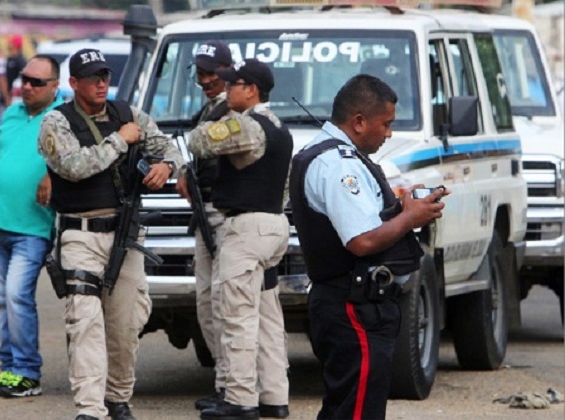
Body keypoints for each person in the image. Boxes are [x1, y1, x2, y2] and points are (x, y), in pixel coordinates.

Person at [289, 74, 449, 419]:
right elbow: (361, 241)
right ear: (359, 121)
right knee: (357, 411)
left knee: (347, 408)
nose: (389, 133)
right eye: (386, 124)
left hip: (350, 302)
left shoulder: (334, 156)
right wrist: (411, 218)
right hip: (352, 305)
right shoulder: (338, 165)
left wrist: (402, 206)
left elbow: (363, 217)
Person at [38, 48, 184, 420]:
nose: (101, 83)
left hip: (125, 233)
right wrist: (120, 140)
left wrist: (166, 166)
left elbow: (168, 146)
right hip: (81, 234)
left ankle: (117, 397)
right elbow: (73, 167)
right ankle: (90, 408)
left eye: (105, 76)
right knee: (84, 322)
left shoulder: (127, 114)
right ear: (74, 83)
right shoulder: (57, 122)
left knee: (125, 324)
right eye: (93, 78)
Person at [189, 59, 292, 420]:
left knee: (236, 316)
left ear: (251, 90)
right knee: (268, 316)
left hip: (245, 230)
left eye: (233, 84)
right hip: (274, 225)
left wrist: (216, 119)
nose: (226, 89)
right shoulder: (279, 126)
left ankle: (240, 398)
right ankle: (274, 396)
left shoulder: (245, 124)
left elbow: (199, 142)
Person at [0, 54, 62, 398]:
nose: (27, 86)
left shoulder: (63, 117)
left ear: (55, 86)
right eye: (24, 80)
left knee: (17, 296)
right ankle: (10, 367)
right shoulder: (12, 113)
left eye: (36, 82)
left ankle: (27, 372)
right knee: (2, 300)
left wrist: (52, 174)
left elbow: (77, 160)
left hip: (31, 229)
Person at [176, 40, 232, 412]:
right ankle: (225, 382)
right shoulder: (209, 110)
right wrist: (184, 170)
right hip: (204, 211)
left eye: (213, 73)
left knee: (225, 305)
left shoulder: (234, 110)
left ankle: (234, 386)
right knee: (207, 304)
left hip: (224, 213)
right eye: (201, 74)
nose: (206, 80)